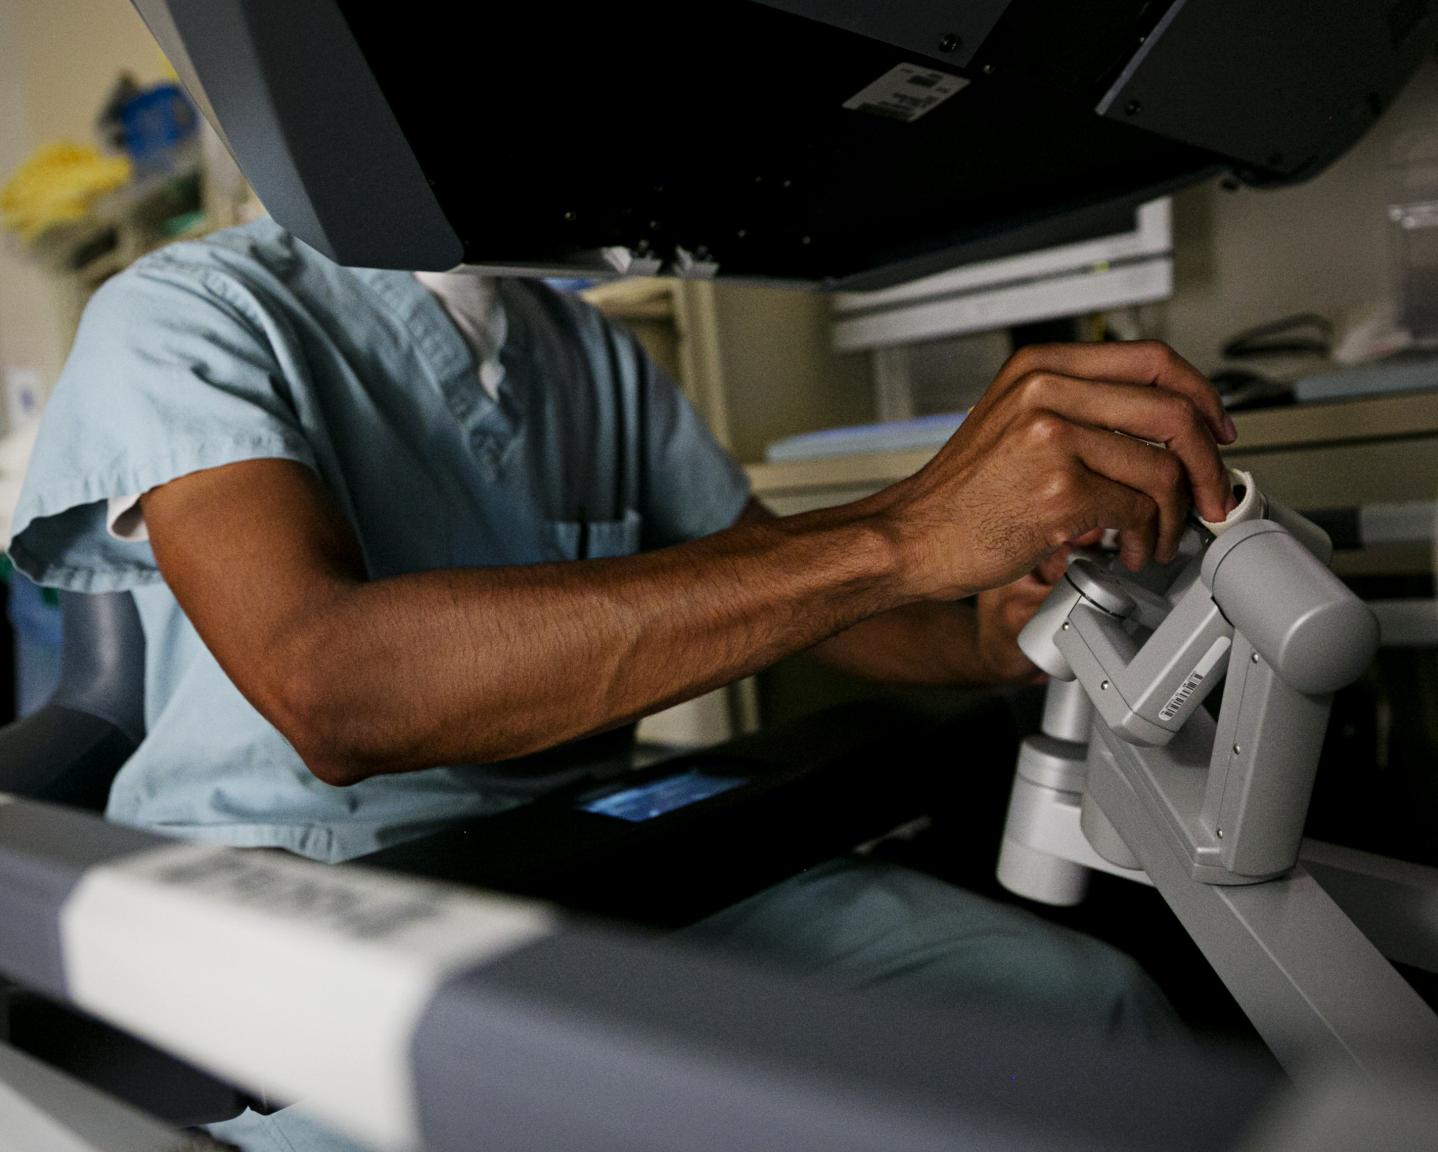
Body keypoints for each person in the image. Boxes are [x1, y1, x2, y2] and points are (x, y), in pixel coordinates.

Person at [9, 216, 1234, 1152]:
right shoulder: (193, 310)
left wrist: (983, 630)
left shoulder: (584, 346)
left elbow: (796, 600)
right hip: (304, 892)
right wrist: (907, 530)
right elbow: (336, 690)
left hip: (599, 863)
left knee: (1080, 1012)